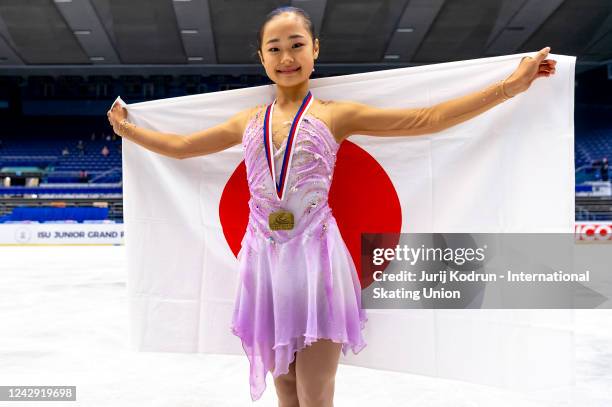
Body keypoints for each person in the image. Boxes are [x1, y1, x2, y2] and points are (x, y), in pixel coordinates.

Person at [107, 6, 556, 405]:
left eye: (296, 45)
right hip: (264, 265)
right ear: (261, 57)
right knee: (284, 390)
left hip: (318, 262)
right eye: (275, 48)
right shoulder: (248, 121)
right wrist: (129, 131)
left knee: (314, 393)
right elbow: (183, 146)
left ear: (315, 49)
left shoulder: (336, 114)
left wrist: (509, 88)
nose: (286, 58)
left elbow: (426, 119)